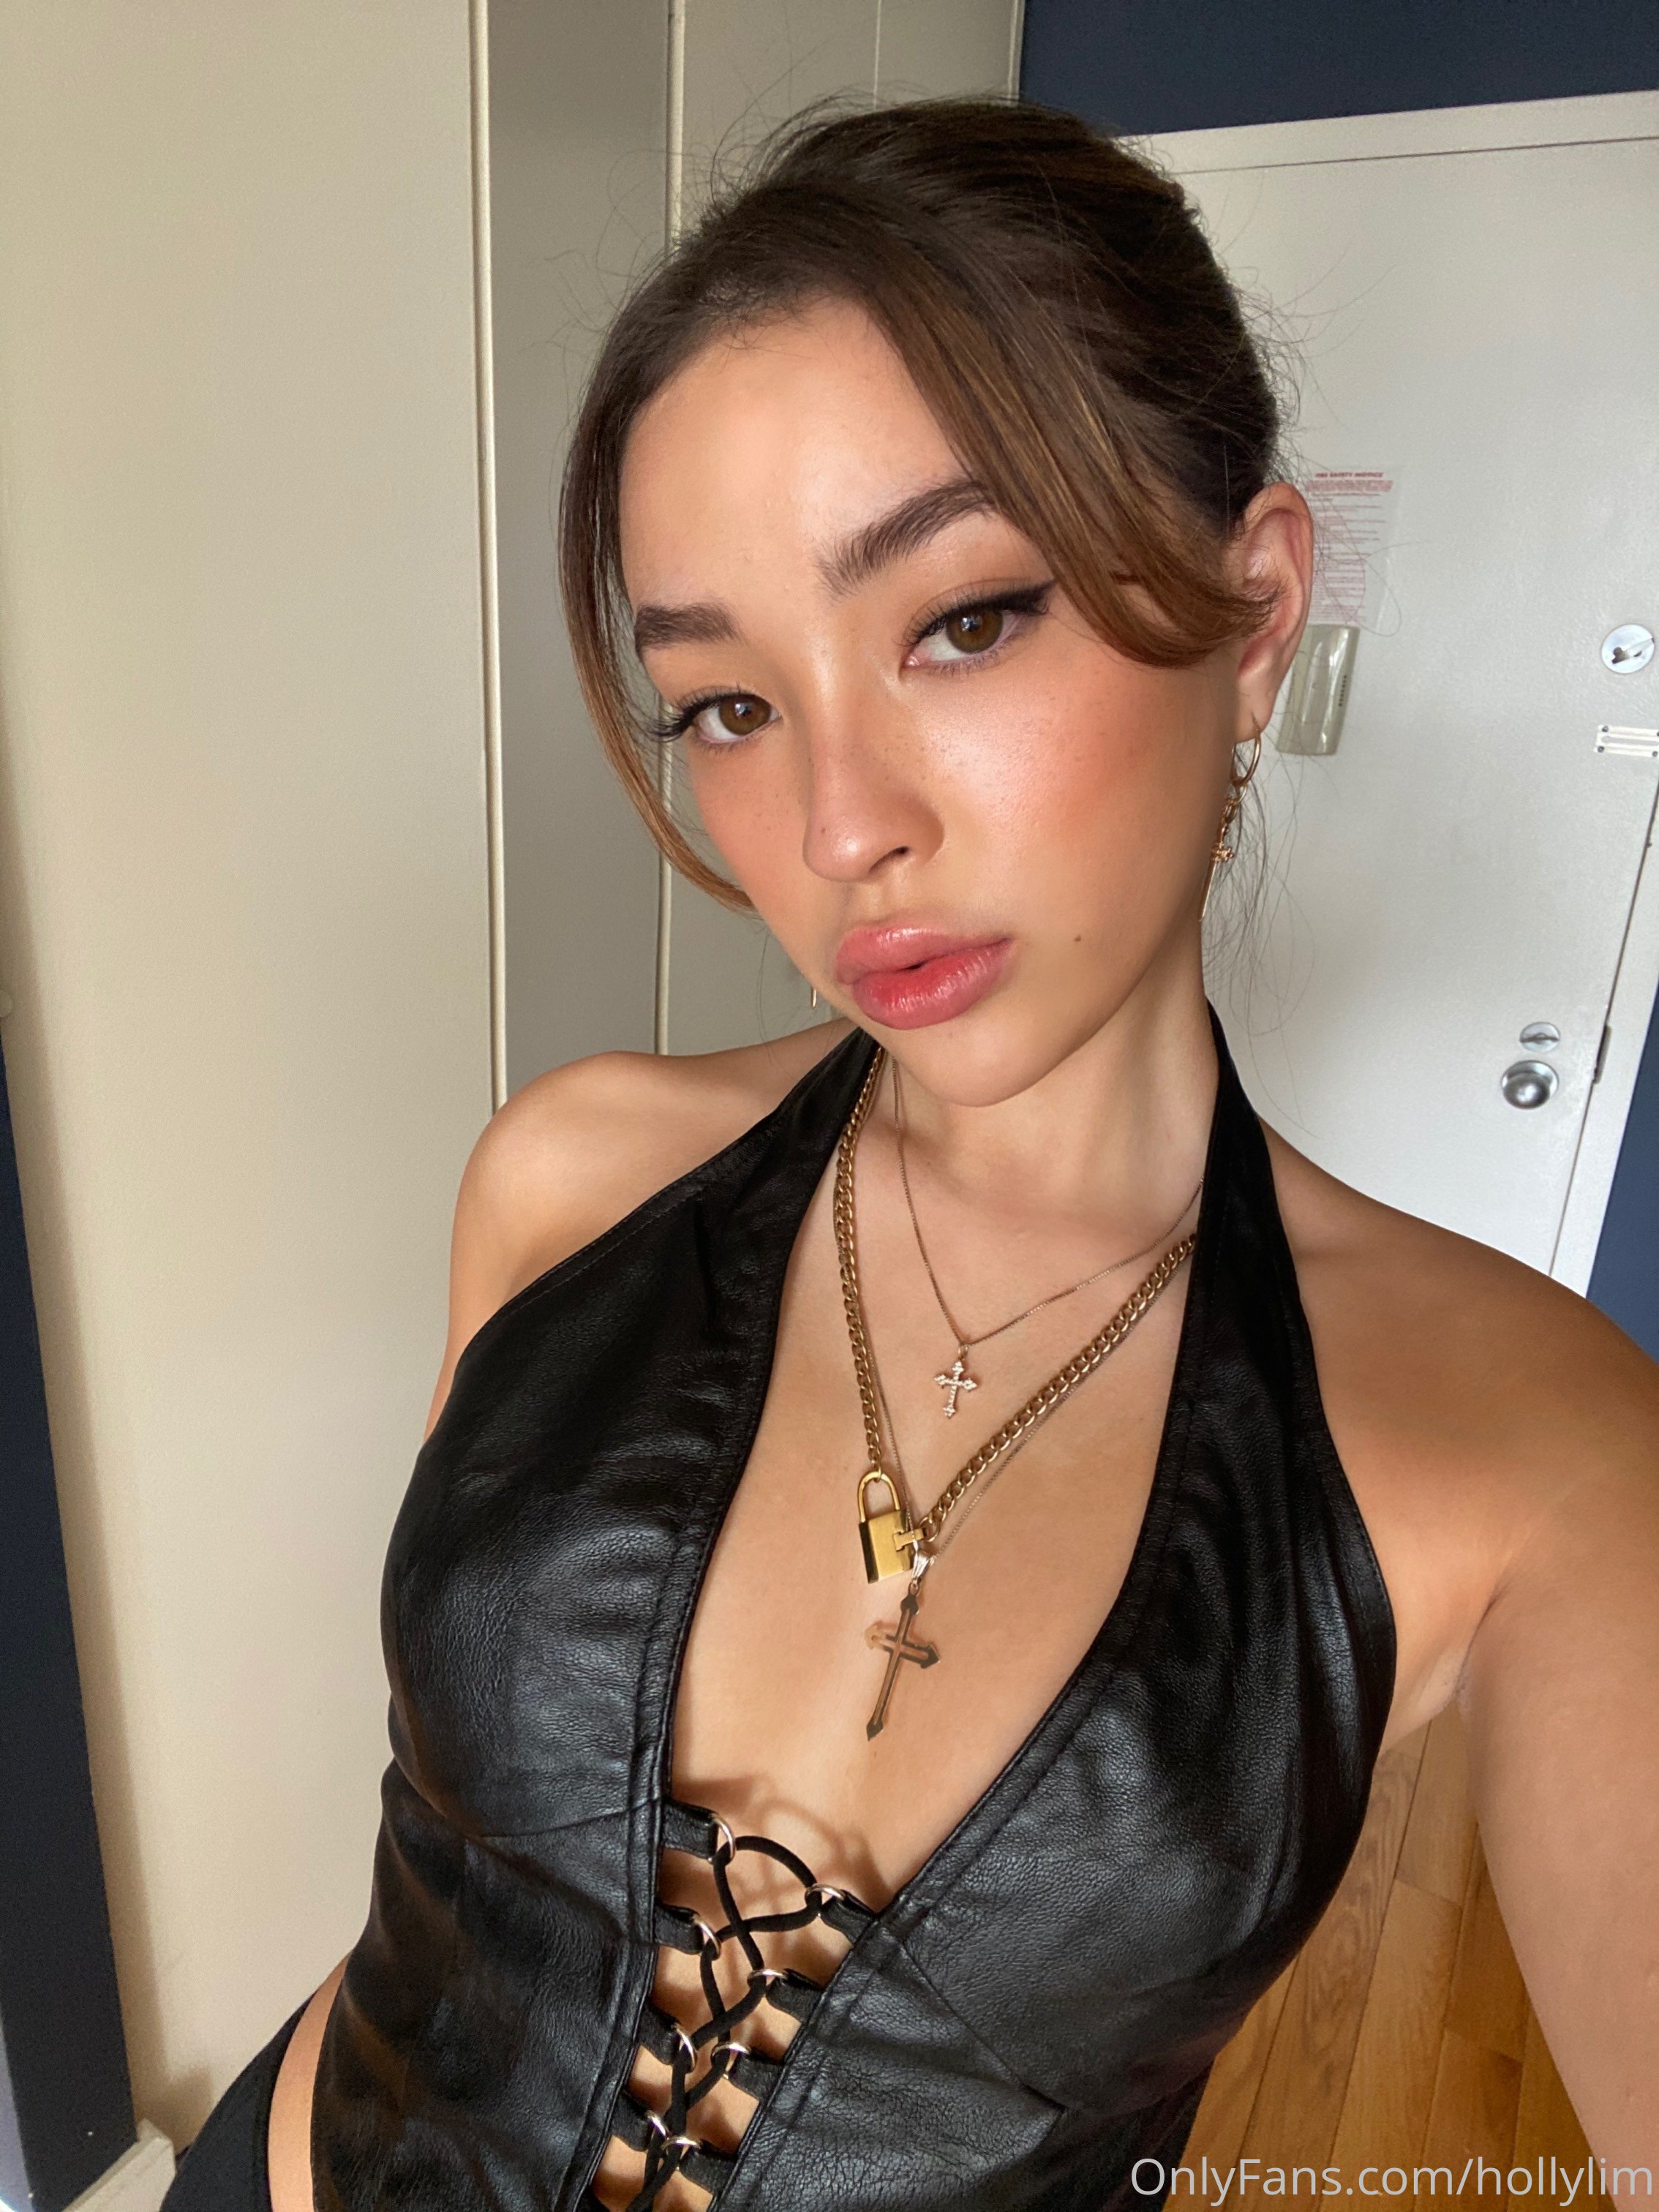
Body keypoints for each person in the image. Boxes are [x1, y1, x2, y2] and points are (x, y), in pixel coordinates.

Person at [165, 98, 1658, 2212]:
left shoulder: (1529, 1450)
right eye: (727, 705)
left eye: (962, 620)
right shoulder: (573, 1182)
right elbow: (461, 1845)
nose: (839, 826)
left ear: (1251, 613)